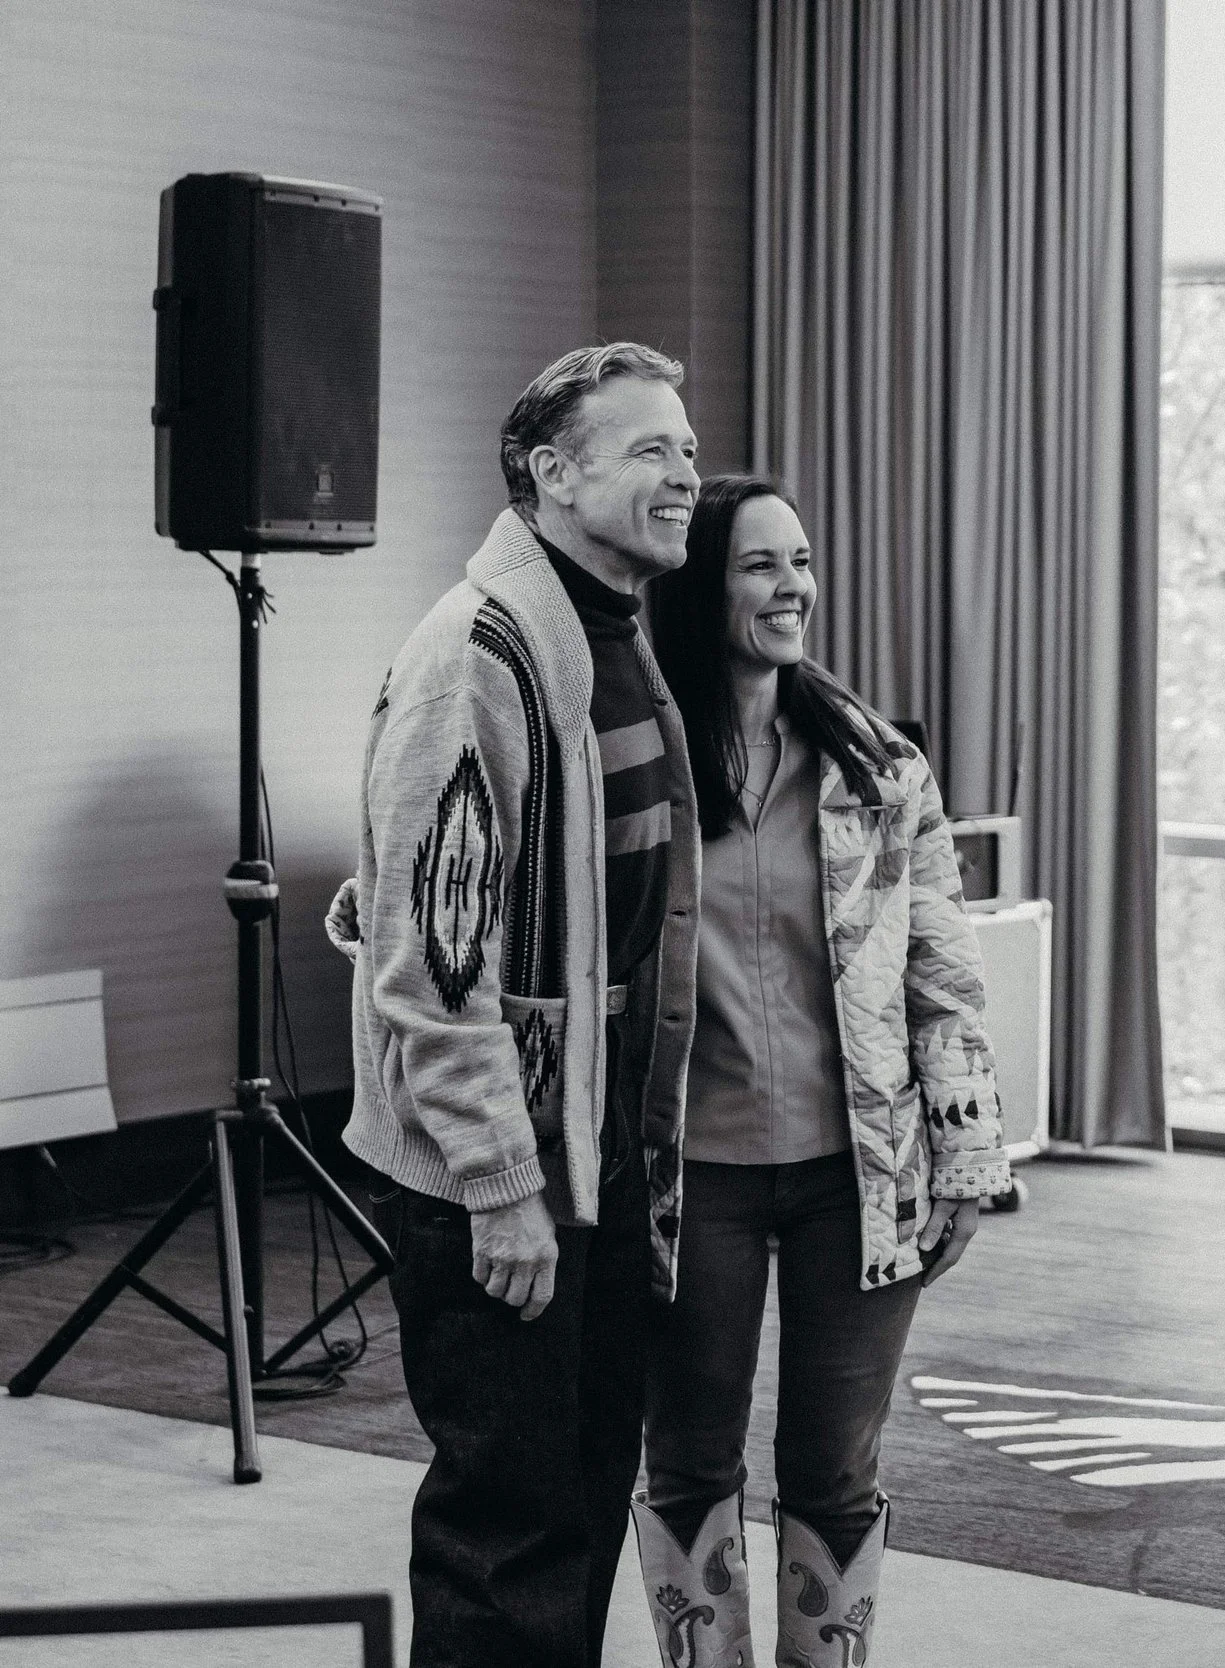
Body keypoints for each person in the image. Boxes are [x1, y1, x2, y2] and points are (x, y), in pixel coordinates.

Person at [330, 342, 703, 1666]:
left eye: (688, 449)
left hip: (595, 1148)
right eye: (650, 448)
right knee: (509, 1529)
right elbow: (431, 966)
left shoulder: (613, 631)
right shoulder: (475, 656)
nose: (685, 473)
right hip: (503, 1165)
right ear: (553, 472)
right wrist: (498, 1184)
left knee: (583, 1493)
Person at [625, 474, 1011, 1667]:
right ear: (698, 586)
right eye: (759, 565)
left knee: (835, 1467)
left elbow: (942, 974)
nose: (792, 586)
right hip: (692, 1178)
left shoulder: (878, 767)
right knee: (689, 1459)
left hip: (862, 1174)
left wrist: (968, 1160)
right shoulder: (635, 762)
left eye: (799, 561)